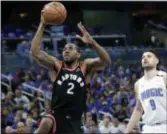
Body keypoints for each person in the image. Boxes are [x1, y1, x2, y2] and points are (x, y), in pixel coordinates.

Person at [30, 13, 111, 134]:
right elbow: (35, 52)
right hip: (57, 115)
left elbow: (106, 61)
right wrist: (42, 24)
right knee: (46, 122)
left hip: (76, 119)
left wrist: (92, 42)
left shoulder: (86, 66)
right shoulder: (56, 65)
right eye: (64, 49)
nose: (66, 50)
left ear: (78, 54)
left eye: (70, 48)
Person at [125, 50, 167, 133]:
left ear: (156, 61)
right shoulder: (138, 84)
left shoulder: (164, 77)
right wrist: (127, 131)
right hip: (148, 128)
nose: (145, 58)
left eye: (149, 56)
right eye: (143, 57)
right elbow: (138, 109)